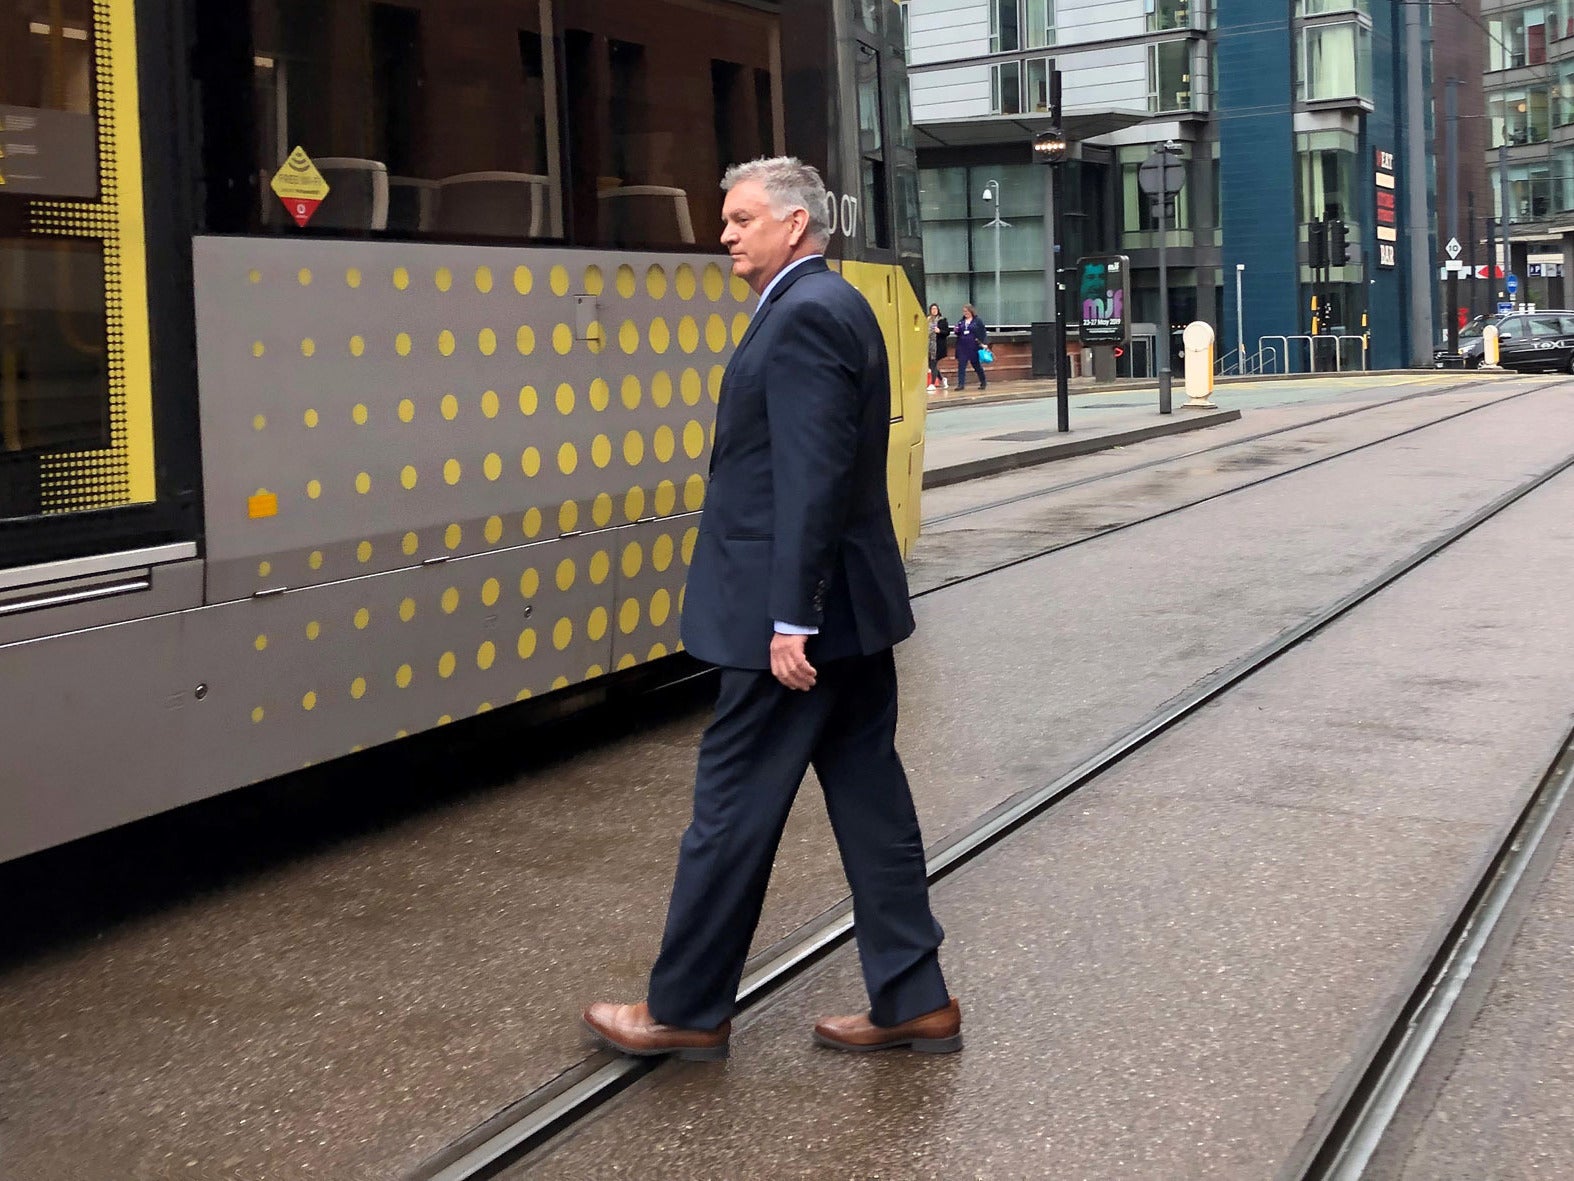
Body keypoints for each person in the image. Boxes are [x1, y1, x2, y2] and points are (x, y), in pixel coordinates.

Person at [583, 156, 960, 1061]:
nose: (725, 233)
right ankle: (915, 997)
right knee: (871, 801)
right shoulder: (831, 304)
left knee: (731, 806)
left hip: (798, 624)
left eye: (741, 218)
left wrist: (793, 616)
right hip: (852, 613)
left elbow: (812, 475)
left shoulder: (802, 318)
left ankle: (684, 1007)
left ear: (794, 225)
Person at [954, 303, 988, 391]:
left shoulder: (977, 321)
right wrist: (956, 330)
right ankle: (960, 384)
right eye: (964, 311)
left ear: (971, 311)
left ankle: (983, 381)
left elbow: (983, 332)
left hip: (973, 346)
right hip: (962, 346)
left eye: (967, 311)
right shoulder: (961, 321)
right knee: (961, 365)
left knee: (976, 365)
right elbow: (958, 332)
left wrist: (984, 343)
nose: (965, 313)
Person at [927, 303, 949, 391]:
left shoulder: (942, 320)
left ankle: (932, 383)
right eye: (932, 309)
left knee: (933, 363)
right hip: (929, 345)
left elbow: (946, 332)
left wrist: (940, 331)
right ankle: (942, 379)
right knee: (931, 364)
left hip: (938, 346)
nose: (934, 310)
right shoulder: (927, 319)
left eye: (935, 309)